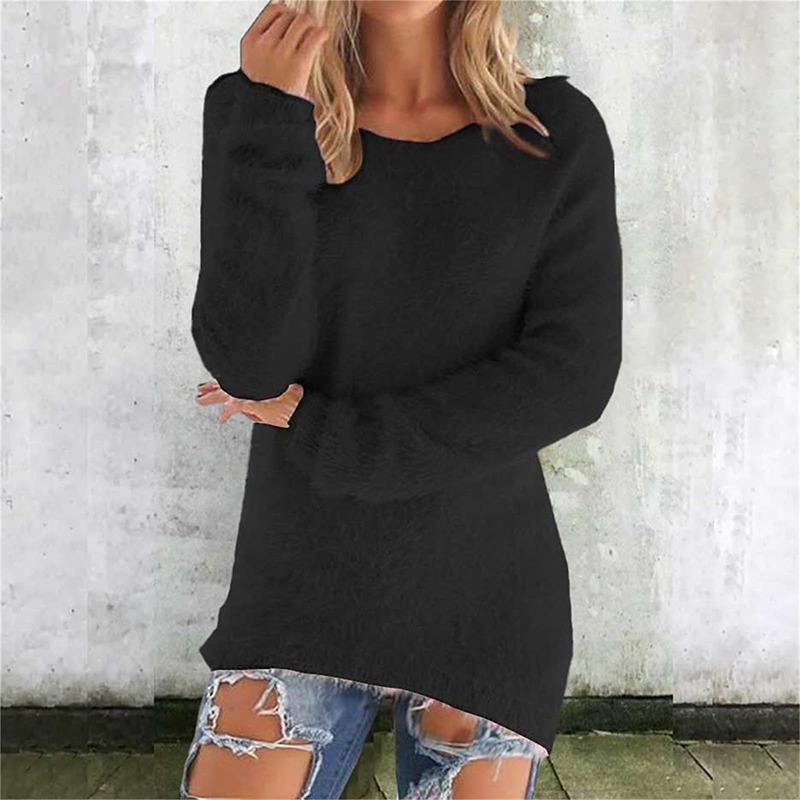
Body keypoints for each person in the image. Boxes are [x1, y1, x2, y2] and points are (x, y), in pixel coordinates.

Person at [181, 0, 622, 797]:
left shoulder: (554, 131)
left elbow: (573, 373)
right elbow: (250, 365)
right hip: (298, 584)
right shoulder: (260, 108)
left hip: (486, 595)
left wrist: (331, 433)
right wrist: (272, 111)